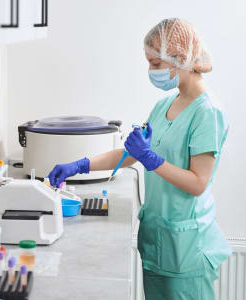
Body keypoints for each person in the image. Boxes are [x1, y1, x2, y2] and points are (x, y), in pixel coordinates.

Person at [48, 18, 231, 300]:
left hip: (187, 248)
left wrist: (152, 159)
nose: (151, 71)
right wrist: (80, 166)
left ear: (181, 58)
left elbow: (198, 183)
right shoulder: (164, 105)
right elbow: (131, 154)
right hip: (158, 240)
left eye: (156, 64)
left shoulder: (207, 113)